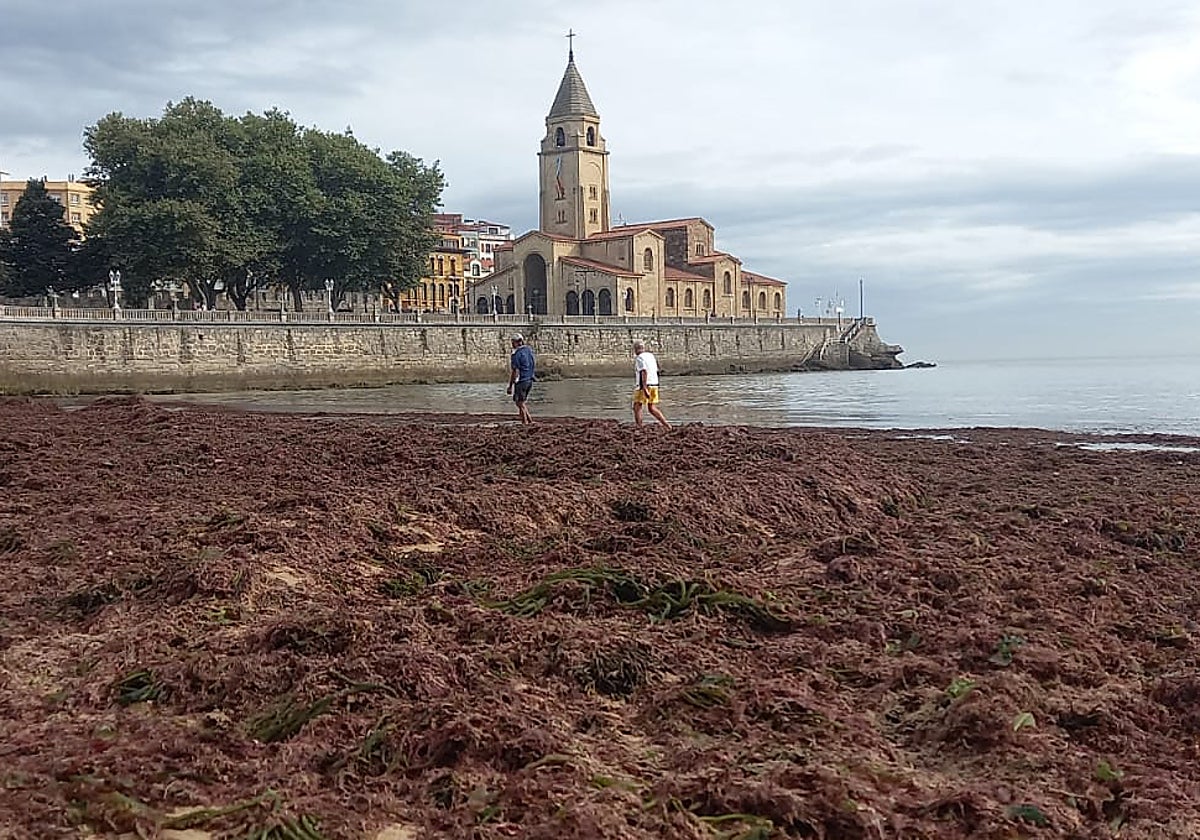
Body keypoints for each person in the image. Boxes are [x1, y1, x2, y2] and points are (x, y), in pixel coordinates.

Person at [632, 339, 671, 429]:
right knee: (651, 407)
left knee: (637, 406)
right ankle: (667, 425)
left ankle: (639, 426)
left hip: (645, 385)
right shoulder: (651, 356)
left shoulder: (639, 358)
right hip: (654, 384)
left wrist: (644, 387)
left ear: (635, 349)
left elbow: (644, 371)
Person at [506, 333, 535, 425]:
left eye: (513, 342)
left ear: (518, 342)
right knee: (521, 402)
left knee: (519, 403)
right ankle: (529, 420)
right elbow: (533, 364)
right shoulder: (528, 350)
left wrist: (510, 386)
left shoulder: (516, 354)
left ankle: (525, 422)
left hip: (522, 381)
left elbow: (515, 371)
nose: (512, 344)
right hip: (529, 379)